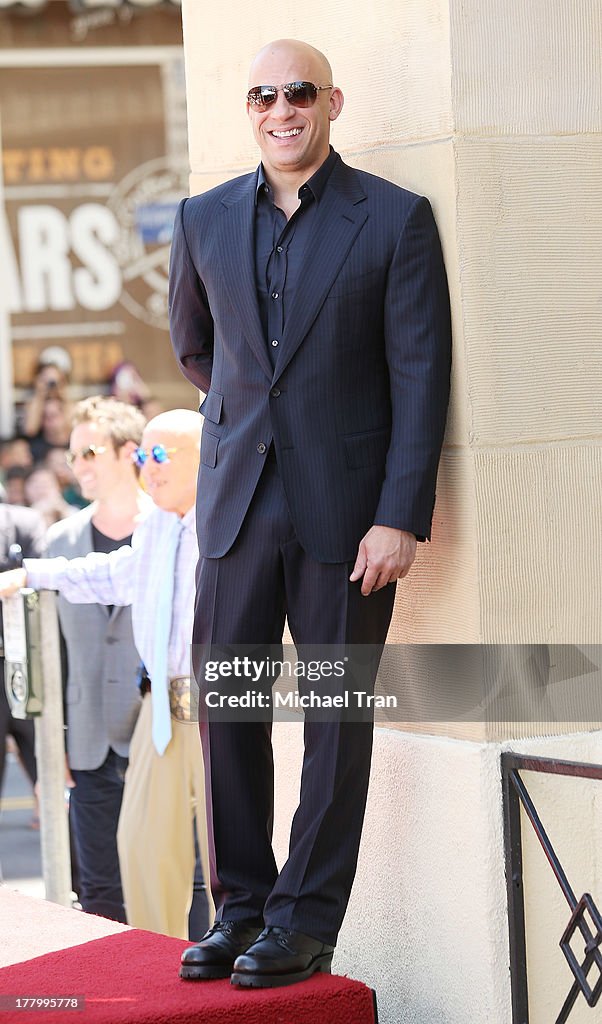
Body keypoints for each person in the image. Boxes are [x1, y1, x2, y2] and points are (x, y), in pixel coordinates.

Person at [168, 39, 452, 987]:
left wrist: (399, 514)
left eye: (298, 92)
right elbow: (197, 351)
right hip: (237, 509)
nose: (281, 109)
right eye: (263, 95)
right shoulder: (202, 219)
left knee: (336, 724)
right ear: (247, 110)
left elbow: (420, 377)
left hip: (350, 523)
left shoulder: (395, 219)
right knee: (230, 711)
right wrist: (259, 425)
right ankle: (240, 909)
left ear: (332, 101)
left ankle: (302, 922)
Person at [0, 410, 212, 941]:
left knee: (222, 863)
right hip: (160, 711)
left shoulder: (228, 519)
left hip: (221, 707)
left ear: (205, 457)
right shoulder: (160, 526)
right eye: (144, 456)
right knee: (141, 851)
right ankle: (163, 976)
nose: (149, 467)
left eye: (159, 455)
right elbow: (114, 574)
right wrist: (30, 572)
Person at [45, 396, 150, 923]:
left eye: (88, 451)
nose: (77, 465)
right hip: (85, 741)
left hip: (157, 734)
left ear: (128, 451)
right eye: (71, 456)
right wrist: (53, 738)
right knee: (101, 896)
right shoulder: (58, 540)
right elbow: (51, 654)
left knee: (180, 880)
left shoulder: (169, 529)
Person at [0, 498, 45, 815]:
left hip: (28, 667)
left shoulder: (22, 523)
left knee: (54, 783)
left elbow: (44, 587)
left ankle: (73, 864)